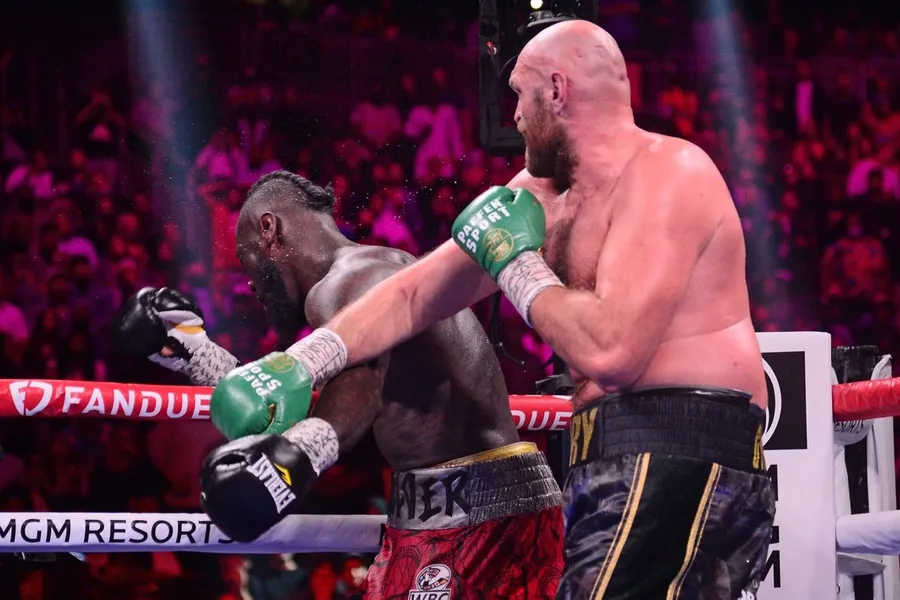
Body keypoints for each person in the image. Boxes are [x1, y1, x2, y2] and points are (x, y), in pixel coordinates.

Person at [235, 21, 776, 599]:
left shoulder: (667, 172)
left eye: (520, 93)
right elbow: (413, 294)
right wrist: (303, 363)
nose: (513, 115)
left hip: (682, 443)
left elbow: (612, 351)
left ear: (557, 90)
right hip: (604, 453)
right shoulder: (540, 196)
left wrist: (515, 262)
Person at [113, 171, 564, 598]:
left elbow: (364, 381)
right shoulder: (372, 275)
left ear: (269, 228)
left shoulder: (345, 280)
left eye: (245, 256)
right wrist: (195, 355)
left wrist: (299, 457)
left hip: (478, 518)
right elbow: (309, 406)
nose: (249, 282)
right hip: (461, 513)